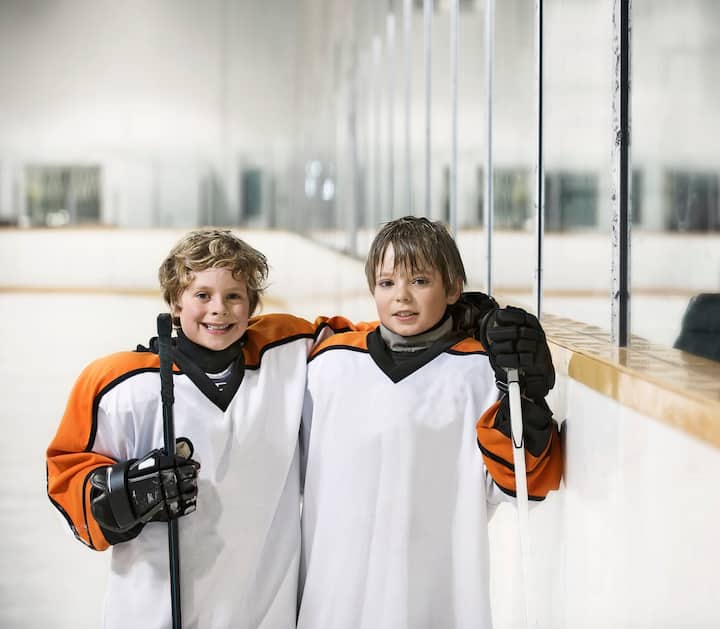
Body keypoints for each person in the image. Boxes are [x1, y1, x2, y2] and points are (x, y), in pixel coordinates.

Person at [46, 228, 356, 629]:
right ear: (176, 302)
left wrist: (448, 326)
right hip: (153, 610)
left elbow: (357, 342)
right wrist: (121, 495)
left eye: (234, 296)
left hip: (262, 610)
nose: (219, 309)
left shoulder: (287, 350)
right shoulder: (121, 384)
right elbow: (67, 472)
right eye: (202, 295)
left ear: (252, 305)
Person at [298, 216, 563, 629]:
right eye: (387, 283)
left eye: (419, 281)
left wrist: (527, 398)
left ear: (454, 288)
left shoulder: (479, 371)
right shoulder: (330, 363)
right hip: (335, 602)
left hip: (438, 601)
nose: (401, 297)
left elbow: (522, 486)